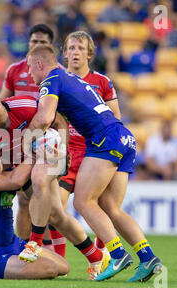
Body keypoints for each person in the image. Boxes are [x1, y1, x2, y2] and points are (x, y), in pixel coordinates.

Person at [25, 44, 163, 282]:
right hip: (124, 137)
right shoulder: (72, 79)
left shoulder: (51, 79)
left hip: (104, 139)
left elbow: (45, 117)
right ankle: (148, 257)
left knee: (83, 201)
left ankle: (117, 254)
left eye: (30, 67)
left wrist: (26, 138)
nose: (29, 74)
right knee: (111, 207)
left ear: (39, 64)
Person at [0, 85, 109, 280]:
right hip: (27, 160)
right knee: (55, 214)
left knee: (39, 181)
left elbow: (59, 121)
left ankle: (34, 243)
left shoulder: (24, 106)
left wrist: (64, 151)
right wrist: (1, 164)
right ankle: (96, 257)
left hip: (50, 152)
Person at [0, 24, 66, 253]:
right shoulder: (15, 70)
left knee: (45, 197)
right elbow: (2, 105)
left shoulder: (56, 73)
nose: (36, 45)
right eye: (33, 41)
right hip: (23, 140)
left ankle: (47, 250)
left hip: (46, 137)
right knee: (24, 200)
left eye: (41, 42)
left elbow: (57, 113)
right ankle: (22, 248)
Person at [58, 30, 121, 257]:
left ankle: (103, 257)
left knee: (99, 207)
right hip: (66, 153)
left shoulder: (102, 82)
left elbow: (116, 119)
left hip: (95, 152)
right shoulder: (57, 81)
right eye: (71, 48)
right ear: (65, 53)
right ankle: (62, 258)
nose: (76, 52)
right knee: (55, 210)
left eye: (81, 48)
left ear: (89, 54)